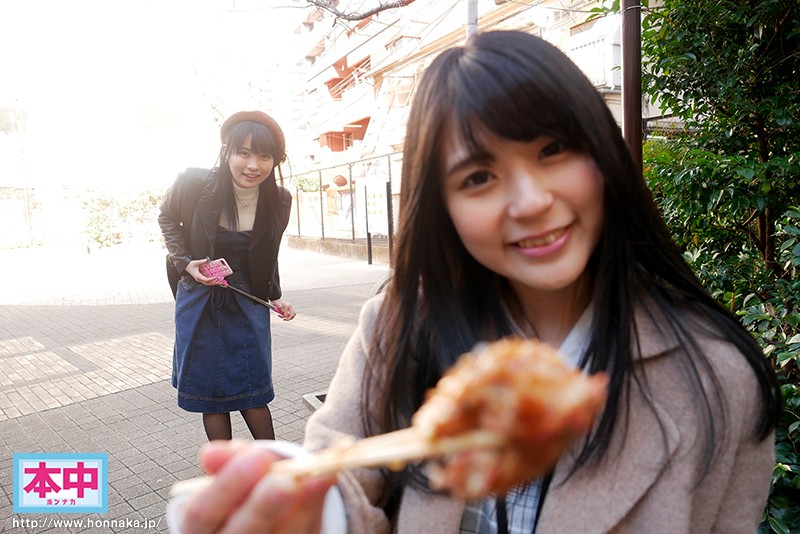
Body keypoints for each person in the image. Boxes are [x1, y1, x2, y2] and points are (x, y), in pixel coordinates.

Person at [172, 31, 781, 533]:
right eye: (479, 177)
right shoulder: (398, 321)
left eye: (553, 150)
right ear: (443, 205)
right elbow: (345, 466)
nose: (530, 201)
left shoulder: (720, 379)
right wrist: (311, 511)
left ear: (603, 156)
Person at [159, 110, 297, 443]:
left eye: (264, 156)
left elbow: (269, 253)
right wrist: (185, 262)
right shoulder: (194, 183)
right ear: (227, 151)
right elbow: (166, 217)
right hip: (200, 299)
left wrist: (275, 295)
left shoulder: (279, 200)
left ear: (275, 160)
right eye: (243, 153)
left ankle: (272, 464)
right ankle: (226, 467)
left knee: (253, 388)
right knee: (211, 392)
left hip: (248, 300)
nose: (253, 165)